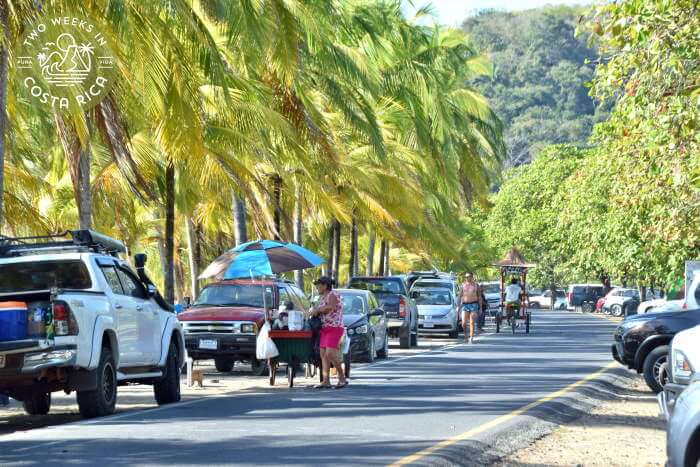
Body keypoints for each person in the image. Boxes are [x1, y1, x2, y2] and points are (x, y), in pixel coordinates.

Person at [308, 276, 348, 389]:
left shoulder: (333, 294)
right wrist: (314, 312)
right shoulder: (321, 297)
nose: (317, 287)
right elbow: (321, 310)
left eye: (319, 285)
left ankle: (342, 378)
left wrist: (317, 310)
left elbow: (330, 307)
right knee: (323, 355)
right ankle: (326, 381)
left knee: (330, 353)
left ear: (325, 286)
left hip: (334, 328)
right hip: (324, 329)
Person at [460, 272, 482, 344]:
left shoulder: (476, 285)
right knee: (463, 323)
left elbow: (479, 297)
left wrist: (480, 307)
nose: (467, 278)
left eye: (468, 276)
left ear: (472, 277)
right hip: (465, 305)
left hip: (474, 304)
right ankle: (466, 336)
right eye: (466, 277)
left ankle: (471, 337)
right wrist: (458, 306)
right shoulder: (463, 285)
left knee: (472, 322)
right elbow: (459, 296)